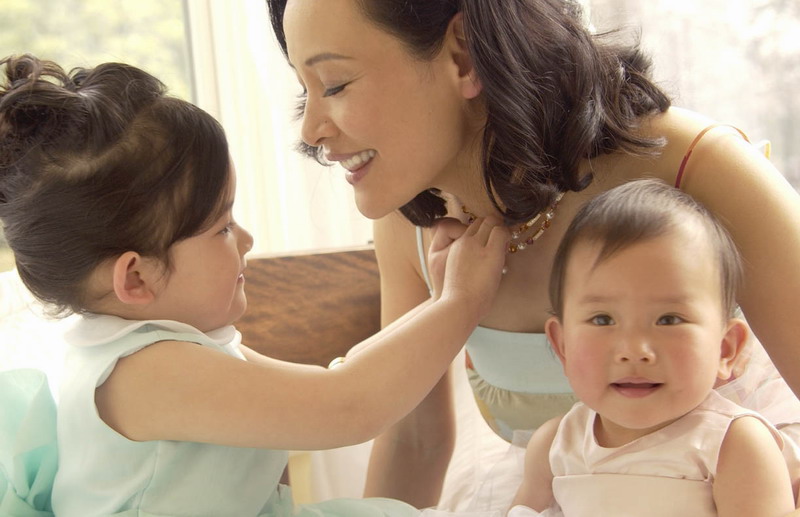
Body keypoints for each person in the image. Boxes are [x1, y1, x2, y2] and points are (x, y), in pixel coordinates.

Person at [266, 0, 800, 509]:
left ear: (464, 55)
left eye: (334, 84)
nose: (312, 131)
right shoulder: (409, 219)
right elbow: (415, 445)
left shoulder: (693, 167)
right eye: (302, 93)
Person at [0, 54, 509, 517]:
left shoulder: (159, 352)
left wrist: (438, 301)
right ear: (136, 277)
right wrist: (462, 302)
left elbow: (331, 383)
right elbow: (347, 405)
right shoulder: (144, 374)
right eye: (222, 227)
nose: (245, 239)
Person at [508, 179, 795, 517]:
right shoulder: (556, 445)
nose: (634, 350)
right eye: (602, 320)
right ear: (562, 344)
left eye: (669, 319)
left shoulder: (733, 445)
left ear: (725, 348)